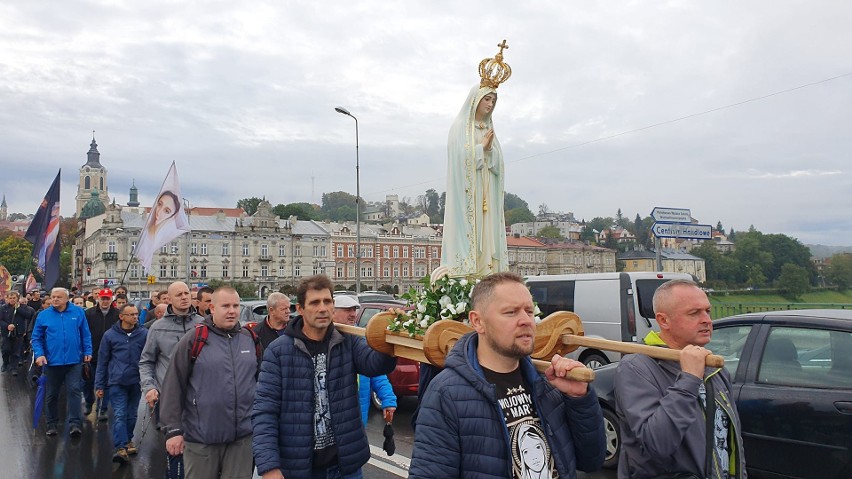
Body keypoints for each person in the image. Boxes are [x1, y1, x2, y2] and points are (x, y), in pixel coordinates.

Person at [408, 272, 606, 478]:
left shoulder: (548, 384)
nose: (526, 321)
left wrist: (579, 399)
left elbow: (592, 460)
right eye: (511, 312)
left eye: (529, 311)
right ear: (477, 322)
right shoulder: (447, 393)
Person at [252, 275, 397, 479]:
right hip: (300, 468)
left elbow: (375, 364)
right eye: (315, 302)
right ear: (300, 309)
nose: (322, 308)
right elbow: (264, 412)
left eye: (327, 301)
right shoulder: (279, 351)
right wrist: (269, 467)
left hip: (345, 466)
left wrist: (391, 336)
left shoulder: (348, 341)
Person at [614, 279, 746, 478]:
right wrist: (689, 379)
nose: (706, 320)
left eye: (707, 311)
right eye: (694, 313)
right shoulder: (637, 367)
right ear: (664, 321)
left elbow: (731, 441)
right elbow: (658, 443)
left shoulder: (714, 367)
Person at [160, 287, 258, 478]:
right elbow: (173, 384)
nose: (232, 311)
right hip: (201, 438)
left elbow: (260, 384)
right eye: (225, 306)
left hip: (242, 439)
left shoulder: (250, 339)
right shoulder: (195, 339)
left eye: (236, 306)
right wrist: (173, 430)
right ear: (212, 308)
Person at [441, 43, 512, 278]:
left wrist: (490, 153)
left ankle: (489, 271)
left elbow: (498, 164)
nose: (490, 104)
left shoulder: (490, 128)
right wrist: (482, 149)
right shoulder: (461, 127)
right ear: (476, 100)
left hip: (487, 193)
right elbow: (458, 159)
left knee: (488, 232)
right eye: (487, 99)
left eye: (493, 100)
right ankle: (467, 272)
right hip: (468, 197)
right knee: (473, 233)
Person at [30, 287, 93, 437]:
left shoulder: (78, 312)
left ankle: (75, 424)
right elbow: (36, 338)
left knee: (74, 390)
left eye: (58, 297)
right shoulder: (43, 316)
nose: (55, 299)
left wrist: (88, 351)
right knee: (52, 394)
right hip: (52, 362)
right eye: (53, 297)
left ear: (66, 299)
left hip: (74, 361)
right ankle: (52, 423)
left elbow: (85, 333)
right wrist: (39, 354)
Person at [331, 295, 397, 426]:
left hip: (359, 419)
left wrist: (388, 399)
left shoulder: (361, 339)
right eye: (347, 310)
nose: (353, 314)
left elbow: (377, 375)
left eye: (354, 310)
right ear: (332, 312)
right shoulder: (326, 341)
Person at [95, 304, 147, 465]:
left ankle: (128, 439)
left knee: (132, 415)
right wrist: (99, 385)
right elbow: (102, 361)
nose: (135, 317)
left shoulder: (144, 334)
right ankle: (120, 447)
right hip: (116, 381)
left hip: (136, 381)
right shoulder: (110, 335)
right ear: (121, 316)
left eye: (136, 314)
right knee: (119, 414)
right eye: (131, 314)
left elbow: (150, 358)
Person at [84, 288, 119, 419]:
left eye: (107, 299)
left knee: (107, 382)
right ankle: (89, 402)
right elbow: (84, 333)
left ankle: (103, 408)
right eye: (103, 298)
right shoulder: (89, 313)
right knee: (88, 381)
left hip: (111, 354)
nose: (105, 301)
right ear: (98, 298)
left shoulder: (117, 314)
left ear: (111, 299)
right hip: (92, 353)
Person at [134, 190, 182, 266]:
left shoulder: (165, 236)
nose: (159, 212)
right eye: (160, 204)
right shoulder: (145, 230)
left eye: (166, 211)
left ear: (171, 217)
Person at [0, 292, 35, 376]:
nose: (12, 300)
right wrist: (7, 326)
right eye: (10, 298)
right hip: (7, 333)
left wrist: (18, 308)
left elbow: (28, 316)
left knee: (16, 351)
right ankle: (5, 363)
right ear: (7, 299)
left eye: (14, 298)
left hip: (19, 333)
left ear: (17, 299)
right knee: (6, 349)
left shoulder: (23, 307)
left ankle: (13, 367)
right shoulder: (3, 308)